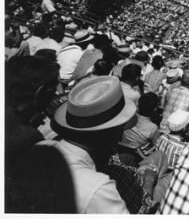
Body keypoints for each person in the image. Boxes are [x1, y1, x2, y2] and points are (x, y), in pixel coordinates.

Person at [39, 76, 138, 213]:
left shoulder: (40, 147)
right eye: (120, 129)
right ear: (109, 133)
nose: (120, 137)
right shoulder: (98, 190)